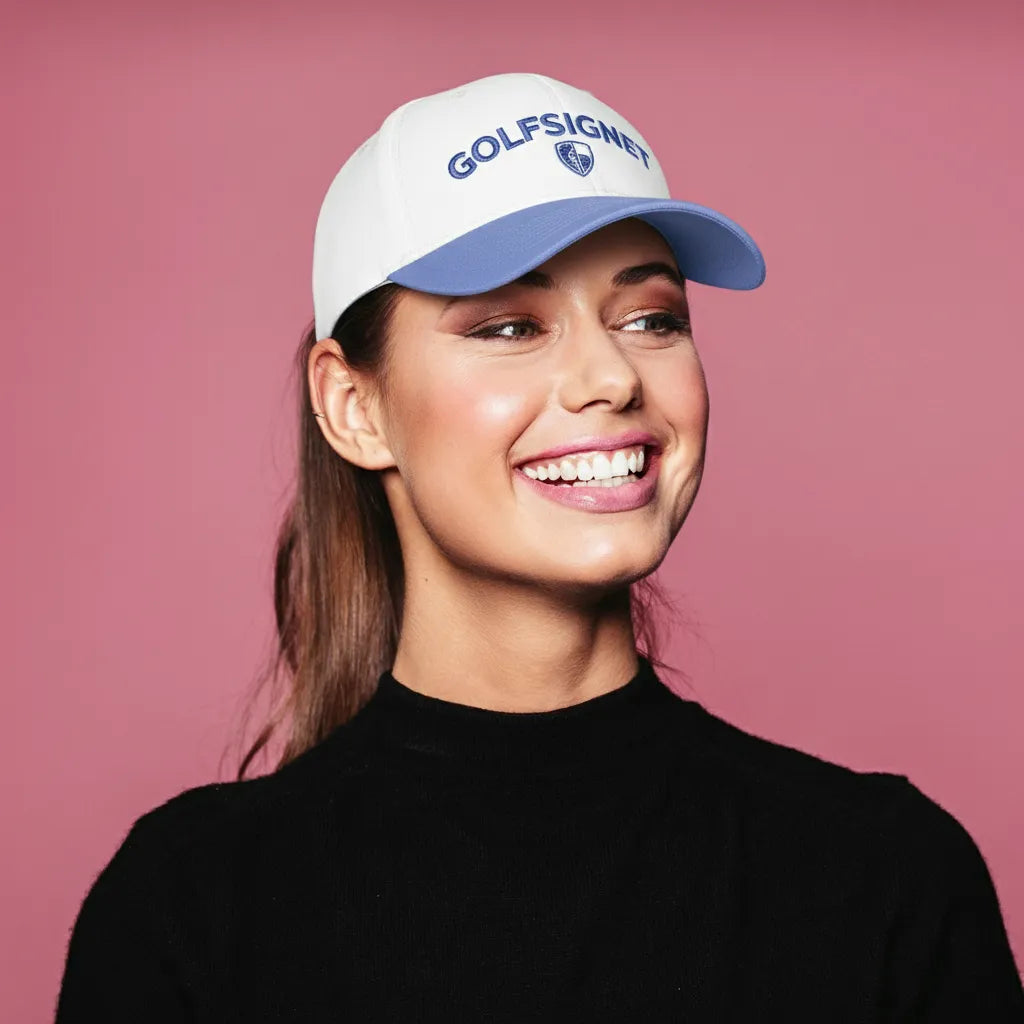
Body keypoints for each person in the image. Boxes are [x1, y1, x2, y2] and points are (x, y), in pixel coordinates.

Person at [55, 72, 1023, 1022]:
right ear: (354, 409)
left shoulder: (883, 876)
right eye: (511, 325)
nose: (609, 376)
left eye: (650, 319)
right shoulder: (190, 908)